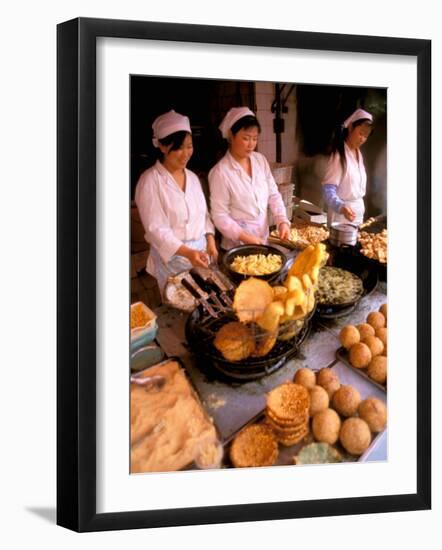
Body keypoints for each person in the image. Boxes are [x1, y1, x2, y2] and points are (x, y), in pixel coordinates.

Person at [135, 110, 218, 293]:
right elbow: (156, 229)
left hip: (200, 256)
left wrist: (210, 239)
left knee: (204, 303)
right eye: (179, 147)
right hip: (172, 259)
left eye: (189, 146)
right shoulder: (150, 181)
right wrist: (188, 253)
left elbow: (203, 216)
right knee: (178, 306)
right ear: (163, 147)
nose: (186, 153)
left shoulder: (193, 178)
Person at [208, 107, 291, 250]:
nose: (251, 144)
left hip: (262, 239)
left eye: (255, 138)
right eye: (246, 138)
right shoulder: (220, 172)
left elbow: (273, 194)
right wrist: (245, 237)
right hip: (236, 246)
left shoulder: (260, 161)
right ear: (231, 136)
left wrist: (282, 220)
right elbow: (219, 216)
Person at [322, 108, 374, 226]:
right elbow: (327, 190)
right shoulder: (339, 155)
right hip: (342, 218)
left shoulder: (358, 153)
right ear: (350, 127)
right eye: (360, 133)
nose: (362, 139)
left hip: (357, 216)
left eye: (366, 136)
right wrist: (341, 207)